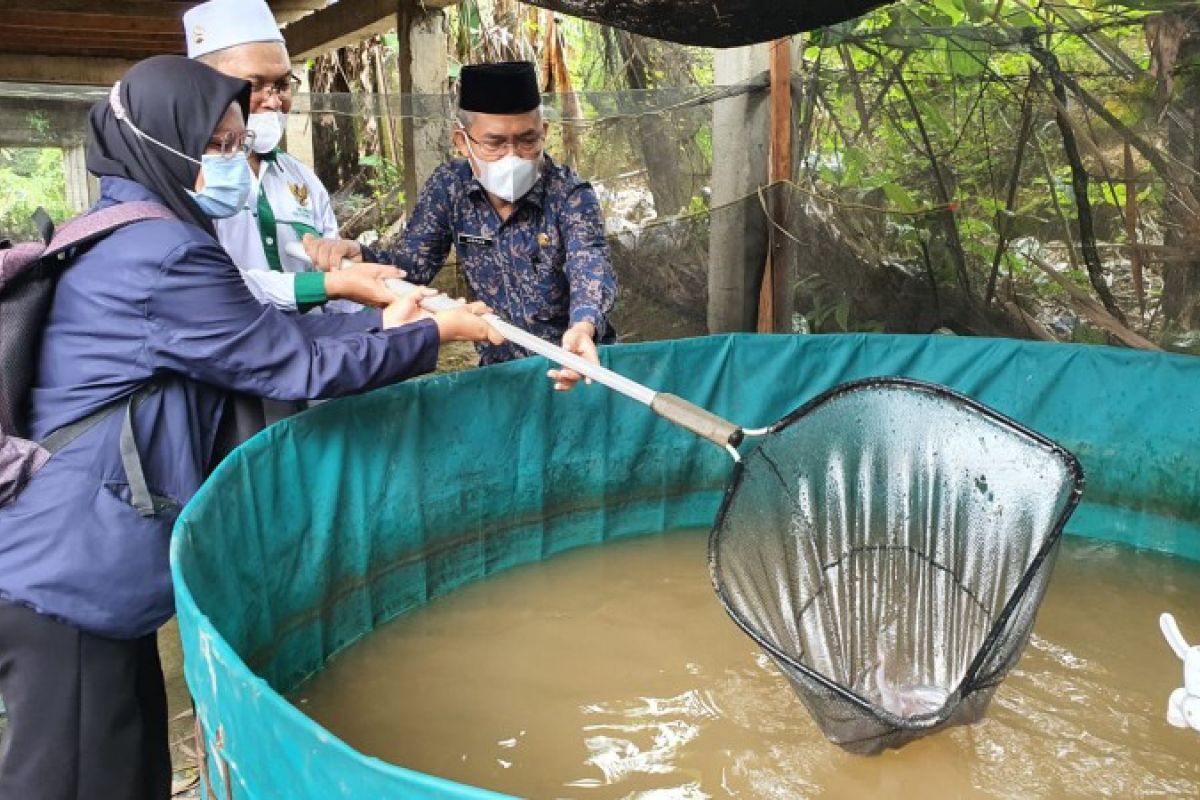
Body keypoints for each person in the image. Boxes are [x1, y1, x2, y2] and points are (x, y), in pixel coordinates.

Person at [0, 56, 502, 800]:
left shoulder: (123, 228)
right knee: (72, 778)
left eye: (240, 144)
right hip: (68, 570)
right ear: (167, 142)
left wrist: (382, 322)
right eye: (223, 147)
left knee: (124, 762)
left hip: (78, 562)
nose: (237, 161)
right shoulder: (163, 253)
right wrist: (432, 335)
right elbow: (288, 366)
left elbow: (251, 337)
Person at [302, 61, 617, 391]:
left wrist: (583, 327)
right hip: (502, 378)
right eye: (494, 143)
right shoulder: (450, 187)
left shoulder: (569, 195)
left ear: (545, 132)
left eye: (528, 140)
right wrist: (360, 259)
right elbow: (409, 269)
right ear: (462, 142)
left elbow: (591, 267)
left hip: (576, 368)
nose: (514, 156)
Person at [184, 0, 393, 313]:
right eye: (255, 85)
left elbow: (339, 289)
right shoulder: (183, 178)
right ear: (206, 87)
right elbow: (200, 285)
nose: (274, 100)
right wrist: (324, 288)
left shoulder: (301, 179)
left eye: (282, 85)